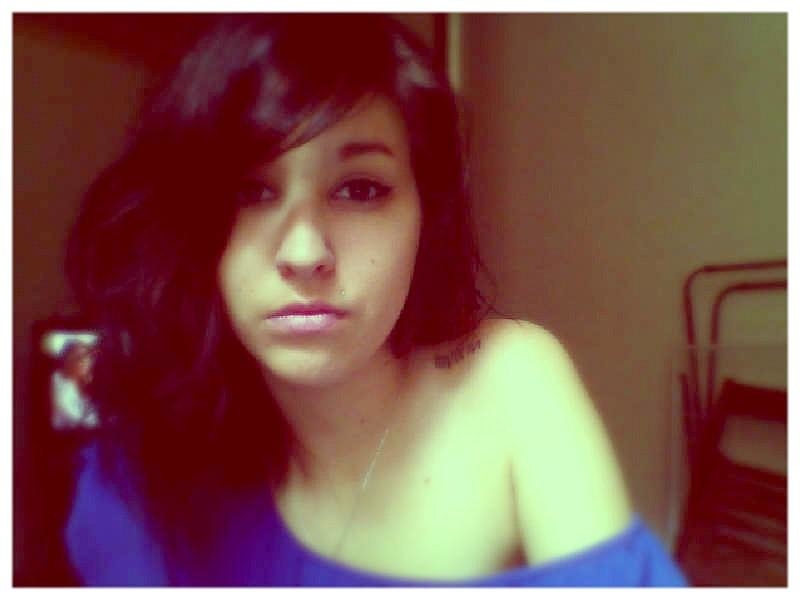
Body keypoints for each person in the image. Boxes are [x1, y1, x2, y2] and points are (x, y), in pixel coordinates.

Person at [62, 14, 686, 586]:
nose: (304, 253)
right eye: (250, 191)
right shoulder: (139, 474)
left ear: (424, 217)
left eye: (359, 189)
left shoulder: (511, 383)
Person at [51, 341, 99, 430]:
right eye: (79, 358)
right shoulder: (60, 388)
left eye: (89, 358)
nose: (87, 363)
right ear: (66, 362)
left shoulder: (76, 380)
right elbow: (87, 423)